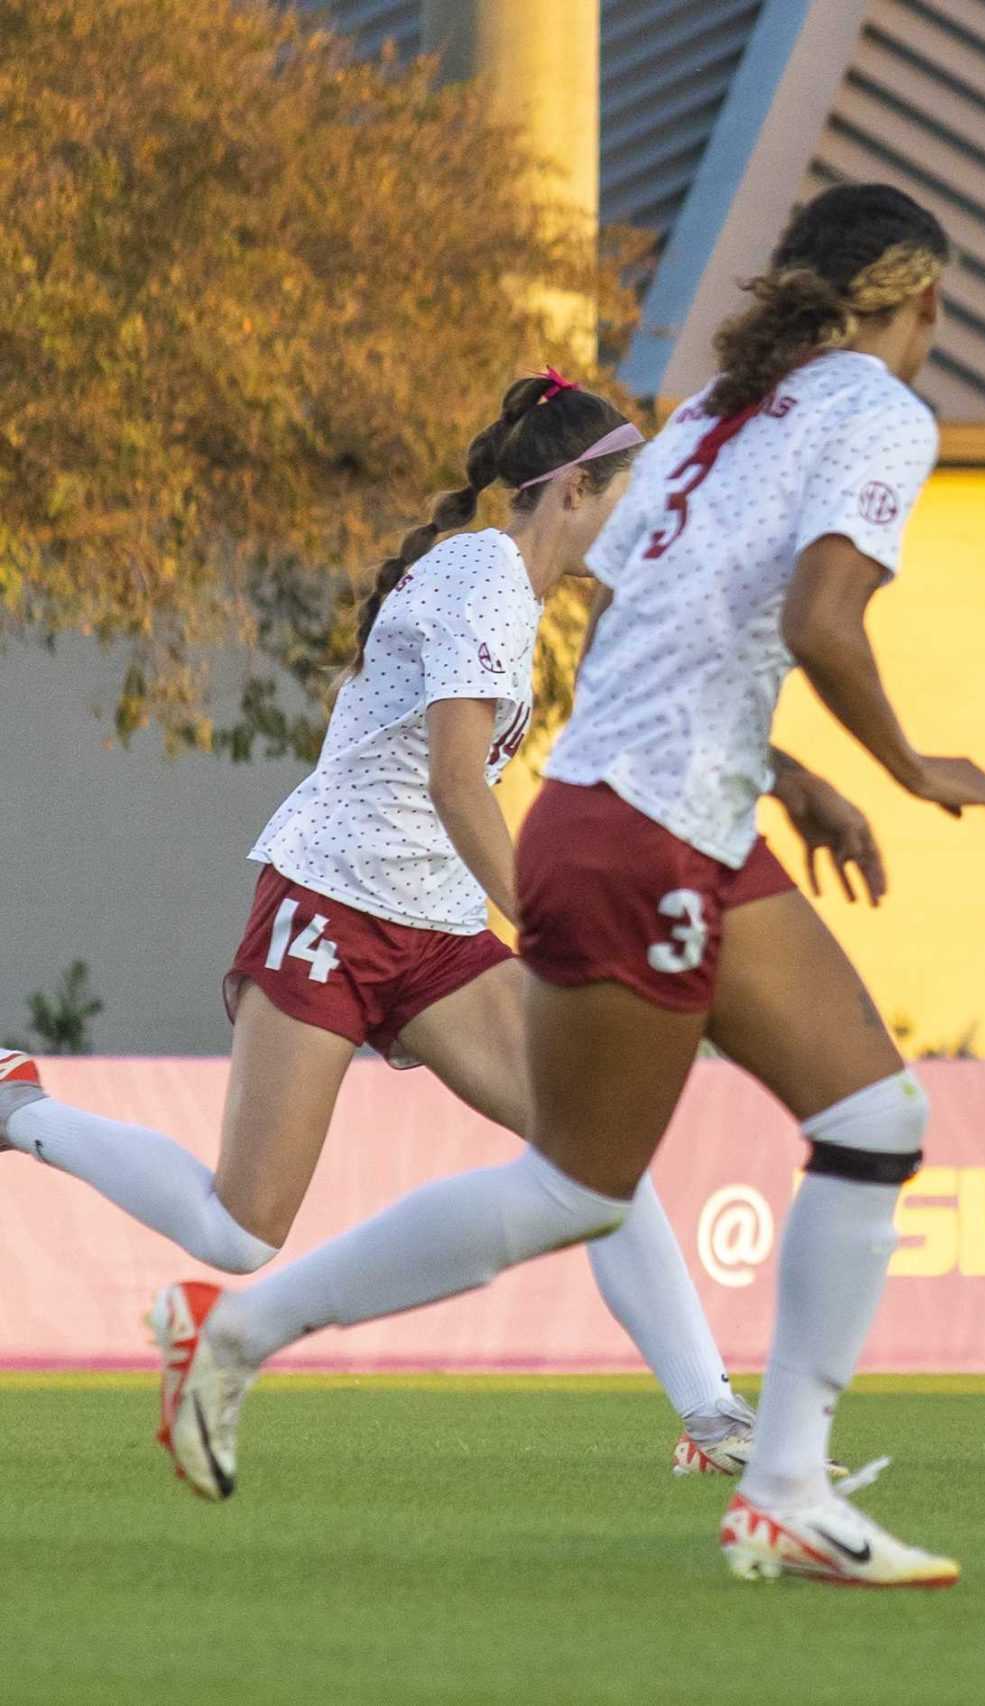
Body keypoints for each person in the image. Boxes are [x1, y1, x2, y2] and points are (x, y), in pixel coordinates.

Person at [141, 183, 985, 1589]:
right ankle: (234, 1326)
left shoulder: (722, 415)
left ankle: (781, 1484)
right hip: (649, 830)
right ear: (918, 303)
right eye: (939, 311)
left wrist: (790, 779)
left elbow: (660, 625)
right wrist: (914, 767)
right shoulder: (876, 413)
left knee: (870, 1111)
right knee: (580, 1186)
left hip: (663, 814)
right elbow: (818, 619)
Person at [0, 371, 770, 1472]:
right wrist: (552, 928)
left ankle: (712, 1418)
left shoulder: (516, 590)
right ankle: (18, 1105)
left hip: (436, 928)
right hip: (332, 899)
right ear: (573, 494)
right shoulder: (483, 580)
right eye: (627, 494)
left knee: (598, 1149)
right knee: (239, 1231)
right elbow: (463, 787)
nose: (640, 517)